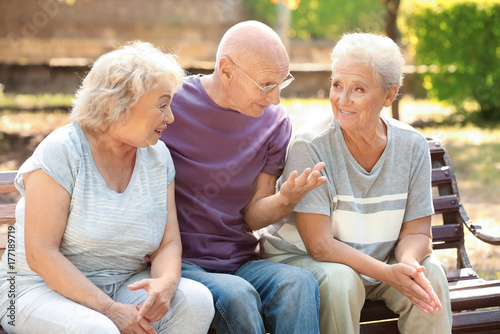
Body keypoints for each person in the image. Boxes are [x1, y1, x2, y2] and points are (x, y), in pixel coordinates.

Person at [0, 41, 214, 333]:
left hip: (123, 284)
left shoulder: (158, 157)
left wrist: (164, 284)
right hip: (36, 290)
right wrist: (111, 311)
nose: (170, 117)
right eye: (162, 104)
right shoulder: (63, 151)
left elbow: (168, 242)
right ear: (120, 103)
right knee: (99, 329)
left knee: (196, 301)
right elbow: (41, 254)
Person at [261, 32, 453, 334]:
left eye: (358, 89)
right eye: (337, 85)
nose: (343, 100)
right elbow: (320, 247)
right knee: (342, 280)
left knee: (431, 274)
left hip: (379, 263)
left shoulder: (412, 145)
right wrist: (389, 273)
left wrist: (407, 265)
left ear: (389, 95)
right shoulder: (311, 145)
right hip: (306, 261)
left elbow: (418, 231)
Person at [160, 20, 325, 334]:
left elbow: (253, 216)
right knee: (238, 296)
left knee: (299, 283)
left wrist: (285, 199)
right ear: (226, 70)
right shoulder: (170, 105)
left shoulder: (274, 123)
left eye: (281, 84)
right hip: (180, 262)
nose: (275, 98)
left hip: (241, 260)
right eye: (266, 85)